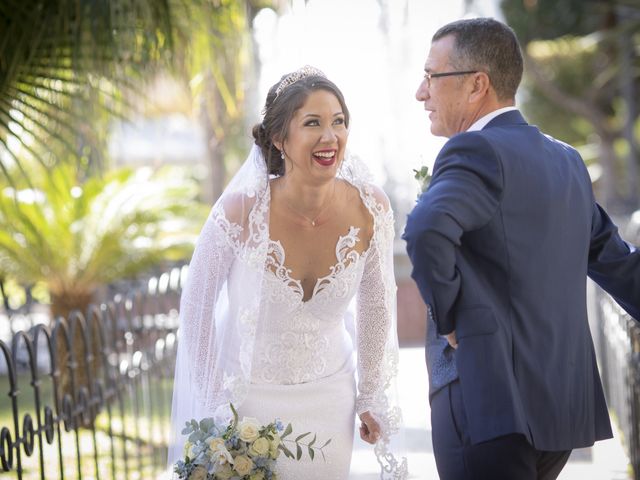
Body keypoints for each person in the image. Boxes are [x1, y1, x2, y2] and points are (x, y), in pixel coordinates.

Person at [402, 17, 640, 480]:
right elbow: (615, 261)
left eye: (431, 76)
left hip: (488, 404)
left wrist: (448, 319)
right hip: (559, 412)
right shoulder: (566, 160)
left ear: (477, 85)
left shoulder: (472, 150)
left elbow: (426, 228)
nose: (421, 92)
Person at [169, 66, 407, 480]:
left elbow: (376, 304)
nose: (329, 136)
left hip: (331, 397)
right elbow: (196, 303)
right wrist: (212, 402)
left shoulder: (371, 208)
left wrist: (370, 393)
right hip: (246, 401)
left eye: (338, 122)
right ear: (280, 139)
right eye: (312, 123)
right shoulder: (239, 212)